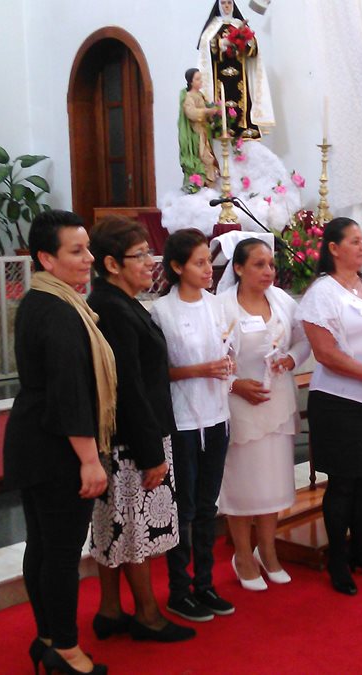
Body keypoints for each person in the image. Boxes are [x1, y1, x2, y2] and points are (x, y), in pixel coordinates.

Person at [3, 210, 112, 675]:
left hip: (34, 441)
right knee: (62, 553)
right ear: (46, 258)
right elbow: (69, 394)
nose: (88, 258)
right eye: (76, 251)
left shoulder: (41, 300)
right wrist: (89, 460)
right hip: (57, 450)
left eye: (87, 248)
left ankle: (47, 637)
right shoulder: (60, 313)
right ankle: (66, 650)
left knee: (44, 547)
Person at [85, 216, 194, 644]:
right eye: (139, 255)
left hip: (128, 437)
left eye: (150, 252)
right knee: (135, 531)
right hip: (133, 441)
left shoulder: (120, 302)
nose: (150, 262)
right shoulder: (113, 309)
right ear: (112, 263)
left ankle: (111, 610)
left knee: (114, 525)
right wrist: (151, 453)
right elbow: (128, 386)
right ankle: (147, 614)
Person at [297, 217, 362, 595]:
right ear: (334, 249)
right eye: (354, 241)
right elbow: (326, 353)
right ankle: (338, 561)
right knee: (341, 484)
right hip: (340, 401)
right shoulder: (323, 293)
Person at [150, 228, 235, 622]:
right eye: (199, 263)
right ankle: (178, 590)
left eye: (210, 262)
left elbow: (228, 350)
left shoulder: (218, 306)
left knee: (207, 506)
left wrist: (228, 366)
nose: (208, 270)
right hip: (183, 422)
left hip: (217, 416)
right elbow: (155, 372)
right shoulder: (161, 312)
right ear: (177, 267)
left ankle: (205, 584)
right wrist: (199, 369)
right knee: (182, 509)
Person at [217, 238, 310, 589]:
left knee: (272, 482)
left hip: (277, 401)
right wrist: (235, 384)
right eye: (258, 264)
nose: (268, 271)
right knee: (243, 483)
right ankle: (242, 554)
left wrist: (292, 359)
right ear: (238, 268)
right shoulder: (222, 306)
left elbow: (303, 340)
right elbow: (212, 356)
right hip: (239, 405)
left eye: (271, 264)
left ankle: (267, 551)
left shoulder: (282, 301)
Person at [196, 0, 274, 140]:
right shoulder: (212, 28)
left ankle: (243, 129)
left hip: (240, 79)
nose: (226, 6)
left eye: (229, 3)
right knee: (221, 108)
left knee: (243, 107)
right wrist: (221, 44)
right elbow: (206, 49)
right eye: (224, 3)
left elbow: (253, 50)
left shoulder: (239, 25)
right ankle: (221, 128)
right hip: (220, 80)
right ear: (219, 5)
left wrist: (245, 42)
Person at [178, 68, 220, 189]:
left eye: (200, 78)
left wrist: (215, 113)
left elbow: (207, 111)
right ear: (190, 82)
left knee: (209, 158)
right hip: (196, 134)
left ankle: (209, 185)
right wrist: (207, 111)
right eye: (197, 79)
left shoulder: (200, 95)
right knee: (204, 158)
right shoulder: (189, 96)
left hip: (204, 132)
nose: (200, 81)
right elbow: (191, 113)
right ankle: (202, 185)